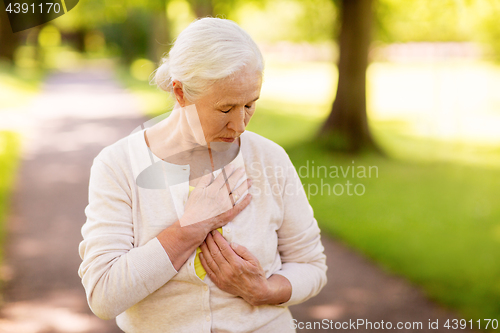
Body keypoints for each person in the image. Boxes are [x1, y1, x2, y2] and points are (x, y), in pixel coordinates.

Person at [78, 17, 327, 333]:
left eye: (250, 105)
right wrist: (188, 229)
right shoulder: (118, 165)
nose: (240, 125)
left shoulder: (270, 158)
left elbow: (311, 266)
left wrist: (265, 291)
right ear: (180, 93)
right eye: (225, 109)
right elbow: (103, 295)